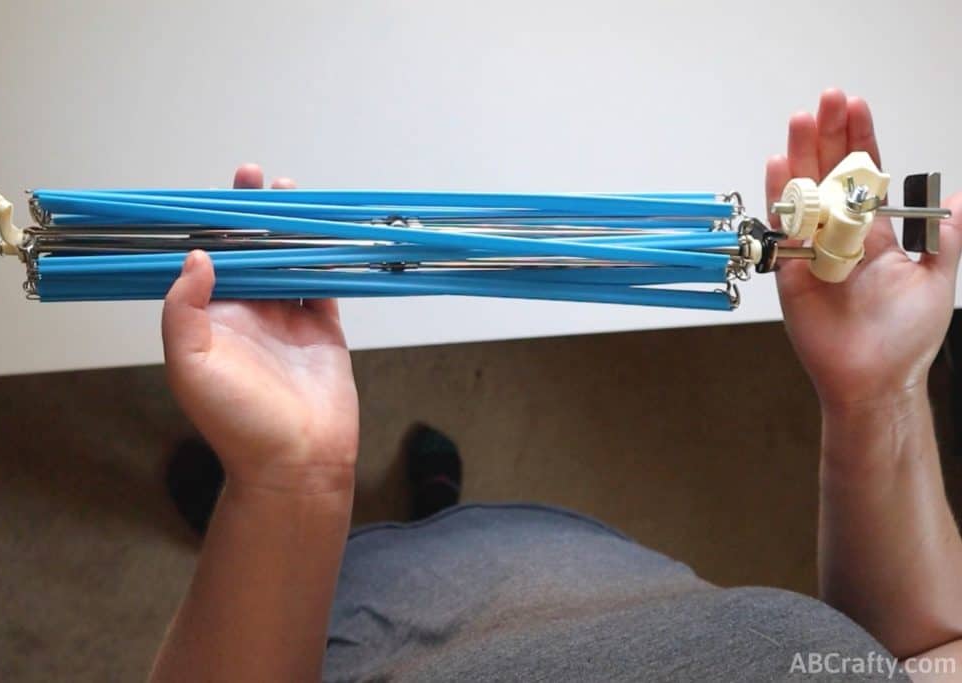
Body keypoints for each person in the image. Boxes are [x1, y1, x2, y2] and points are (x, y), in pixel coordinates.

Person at [147, 89, 962, 682]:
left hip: (337, 631)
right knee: (466, 538)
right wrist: (878, 394)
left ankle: (331, 521)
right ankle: (438, 508)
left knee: (362, 567)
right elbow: (929, 656)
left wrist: (287, 483)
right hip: (566, 556)